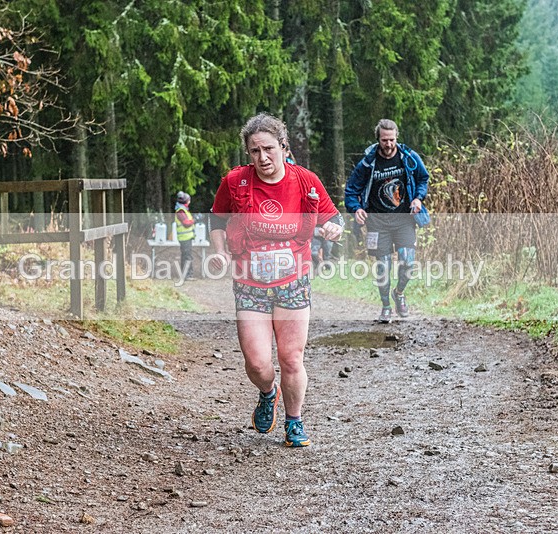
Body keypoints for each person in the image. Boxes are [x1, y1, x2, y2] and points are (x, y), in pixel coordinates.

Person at [209, 113, 343, 448]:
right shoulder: (236, 182)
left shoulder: (306, 182)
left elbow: (333, 218)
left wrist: (333, 228)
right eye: (254, 151)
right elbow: (216, 220)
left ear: (284, 147)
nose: (262, 158)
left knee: (291, 358)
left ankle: (294, 421)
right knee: (257, 363)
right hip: (250, 285)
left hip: (293, 282)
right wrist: (219, 251)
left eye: (269, 149)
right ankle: (268, 393)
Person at [344, 119, 430, 323]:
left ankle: (399, 293)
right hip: (377, 222)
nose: (388, 144)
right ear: (378, 139)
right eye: (384, 140)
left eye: (391, 140)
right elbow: (351, 190)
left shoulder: (408, 157)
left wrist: (418, 198)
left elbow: (423, 178)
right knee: (383, 267)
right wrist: (356, 209)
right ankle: (385, 307)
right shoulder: (368, 162)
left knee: (408, 263)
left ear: (396, 137)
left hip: (404, 219)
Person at [174, 191, 196, 281]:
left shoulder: (183, 210)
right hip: (184, 238)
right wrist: (195, 220)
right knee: (187, 257)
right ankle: (187, 275)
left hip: (187, 237)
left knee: (186, 256)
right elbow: (186, 223)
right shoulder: (181, 211)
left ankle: (186, 274)